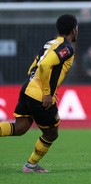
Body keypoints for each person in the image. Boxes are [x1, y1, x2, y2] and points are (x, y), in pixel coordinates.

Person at [0, 14, 78, 173]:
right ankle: (31, 166)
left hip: (27, 87)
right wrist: (47, 93)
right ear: (73, 30)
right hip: (40, 95)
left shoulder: (50, 42)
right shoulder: (67, 48)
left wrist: (31, 81)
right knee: (51, 133)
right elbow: (44, 65)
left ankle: (31, 166)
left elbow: (35, 64)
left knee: (20, 127)